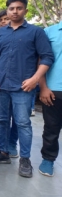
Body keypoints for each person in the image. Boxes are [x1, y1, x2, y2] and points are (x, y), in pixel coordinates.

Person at [0, 0, 54, 178]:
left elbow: (47, 57)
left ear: (25, 10)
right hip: (0, 85)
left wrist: (35, 79)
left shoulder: (36, 32)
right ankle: (4, 153)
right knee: (3, 120)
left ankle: (25, 159)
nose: (15, 11)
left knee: (23, 123)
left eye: (19, 8)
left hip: (24, 86)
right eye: (11, 8)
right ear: (7, 10)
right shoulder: (0, 32)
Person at [38, 20, 62, 177]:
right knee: (52, 127)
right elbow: (41, 60)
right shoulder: (49, 31)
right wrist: (43, 87)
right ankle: (48, 159)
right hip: (54, 88)